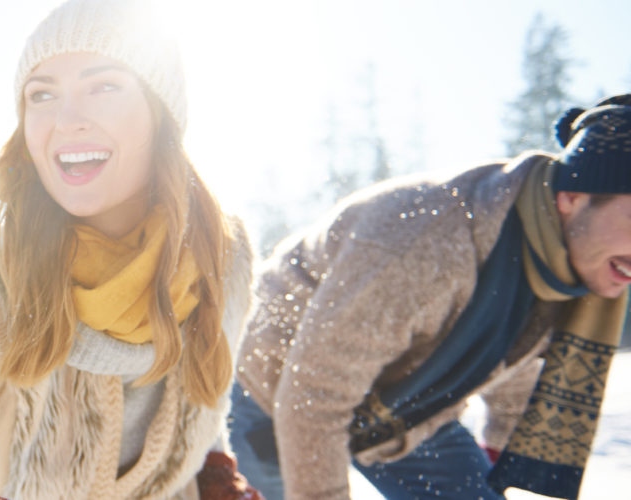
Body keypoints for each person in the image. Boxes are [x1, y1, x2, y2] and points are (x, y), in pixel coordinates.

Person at [0, 1, 261, 498]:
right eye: (42, 94)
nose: (67, 119)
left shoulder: (221, 256)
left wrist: (212, 471)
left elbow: (203, 405)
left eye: (103, 86)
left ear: (159, 111)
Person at [230, 94, 631, 500]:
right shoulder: (425, 244)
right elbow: (312, 399)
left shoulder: (560, 269)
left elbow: (508, 349)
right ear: (573, 197)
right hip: (275, 382)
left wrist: (501, 451)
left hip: (407, 408)